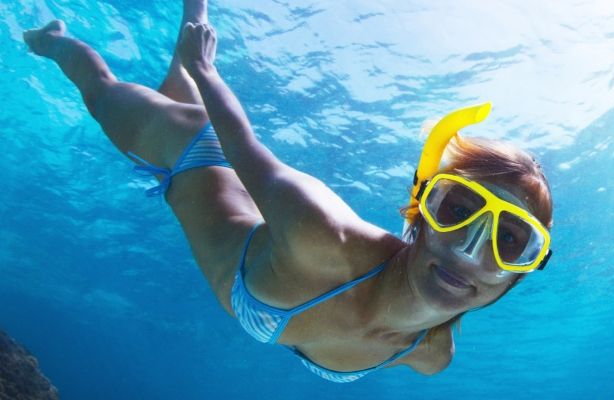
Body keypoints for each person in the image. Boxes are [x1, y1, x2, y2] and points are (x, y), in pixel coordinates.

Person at [23, 0, 553, 383]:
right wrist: (204, 69)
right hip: (191, 151)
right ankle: (50, 40)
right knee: (101, 92)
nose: (469, 249)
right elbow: (242, 147)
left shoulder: (430, 355)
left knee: (173, 89)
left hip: (236, 203)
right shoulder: (322, 234)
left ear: (522, 273)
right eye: (457, 211)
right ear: (418, 214)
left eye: (511, 241)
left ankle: (193, 18)